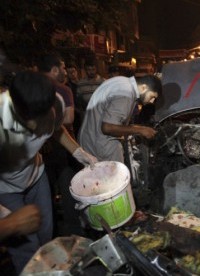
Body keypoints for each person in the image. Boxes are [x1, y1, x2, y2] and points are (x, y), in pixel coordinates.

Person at [0, 71, 97, 273]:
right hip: (6, 190)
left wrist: (79, 153)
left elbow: (57, 129)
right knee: (27, 249)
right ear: (15, 106)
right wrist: (8, 220)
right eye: (32, 120)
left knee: (46, 235)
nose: (38, 126)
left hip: (36, 176)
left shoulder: (53, 103)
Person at [78, 75, 161, 162]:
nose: (152, 101)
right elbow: (107, 127)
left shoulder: (123, 82)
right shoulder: (126, 94)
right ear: (144, 87)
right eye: (152, 97)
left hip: (90, 139)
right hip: (99, 147)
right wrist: (141, 130)